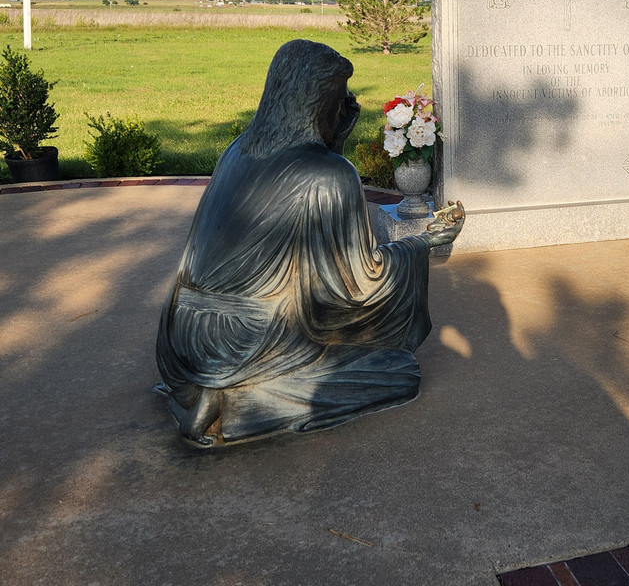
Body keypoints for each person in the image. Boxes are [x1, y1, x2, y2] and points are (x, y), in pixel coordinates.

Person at [155, 39, 462, 446]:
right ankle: (239, 402)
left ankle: (207, 392)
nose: (346, 106)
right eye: (340, 98)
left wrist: (333, 143)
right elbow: (354, 288)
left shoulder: (236, 151)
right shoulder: (331, 175)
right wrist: (423, 243)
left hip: (181, 336)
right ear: (321, 104)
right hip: (246, 342)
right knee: (397, 370)